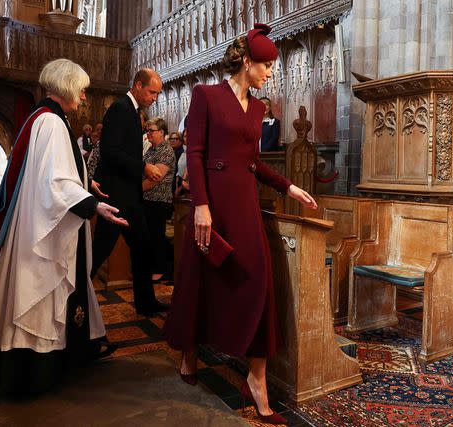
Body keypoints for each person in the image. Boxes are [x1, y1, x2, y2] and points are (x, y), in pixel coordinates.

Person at [164, 23, 317, 425]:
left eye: (272, 66)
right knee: (200, 277)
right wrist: (200, 205)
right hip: (211, 201)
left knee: (258, 282)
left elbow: (253, 162)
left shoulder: (260, 107)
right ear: (246, 61)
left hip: (244, 203)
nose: (270, 72)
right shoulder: (206, 96)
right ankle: (190, 351)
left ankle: (257, 378)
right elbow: (194, 154)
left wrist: (289, 186)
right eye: (265, 65)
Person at [0, 58, 127, 393]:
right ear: (66, 86)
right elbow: (54, 182)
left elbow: (52, 172)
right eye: (82, 90)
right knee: (42, 291)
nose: (85, 97)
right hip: (42, 227)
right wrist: (95, 206)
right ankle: (34, 371)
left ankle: (75, 351)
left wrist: (86, 184)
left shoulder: (47, 117)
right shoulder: (51, 122)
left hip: (42, 217)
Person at [90, 68, 169, 316]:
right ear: (137, 85)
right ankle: (72, 301)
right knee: (99, 251)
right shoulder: (120, 108)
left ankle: (146, 303)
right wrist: (144, 167)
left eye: (157, 93)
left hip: (131, 196)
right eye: (152, 92)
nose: (155, 97)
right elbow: (111, 153)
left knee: (143, 248)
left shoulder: (135, 112)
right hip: (116, 195)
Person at [142, 118, 175, 281]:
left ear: (161, 132)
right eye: (147, 130)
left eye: (151, 130)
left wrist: (135, 190)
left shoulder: (166, 151)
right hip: (148, 199)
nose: (148, 133)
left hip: (159, 199)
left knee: (157, 235)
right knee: (149, 235)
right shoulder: (151, 150)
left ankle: (161, 269)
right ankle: (152, 266)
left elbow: (154, 178)